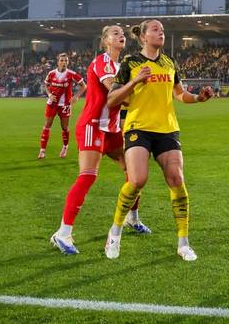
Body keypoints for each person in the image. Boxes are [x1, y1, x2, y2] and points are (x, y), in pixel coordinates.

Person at [105, 19, 214, 262]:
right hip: (138, 127)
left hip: (167, 129)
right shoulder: (130, 62)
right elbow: (112, 99)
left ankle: (183, 243)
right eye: (155, 29)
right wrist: (135, 82)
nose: (161, 32)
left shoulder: (169, 63)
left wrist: (199, 98)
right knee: (137, 180)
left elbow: (179, 94)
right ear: (143, 36)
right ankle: (115, 231)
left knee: (177, 179)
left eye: (162, 30)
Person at [49, 25, 147, 255]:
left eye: (122, 32)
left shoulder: (122, 66)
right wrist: (135, 84)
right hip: (93, 125)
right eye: (115, 33)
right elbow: (113, 91)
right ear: (104, 41)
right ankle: (63, 233)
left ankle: (132, 218)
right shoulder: (102, 62)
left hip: (111, 129)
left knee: (134, 174)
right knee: (87, 176)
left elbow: (123, 101)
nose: (121, 35)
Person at [39, 53, 83, 160]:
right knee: (47, 125)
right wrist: (49, 95)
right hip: (52, 104)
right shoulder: (51, 73)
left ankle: (65, 147)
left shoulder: (71, 74)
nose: (64, 62)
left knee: (64, 127)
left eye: (66, 61)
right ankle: (42, 151)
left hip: (65, 105)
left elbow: (84, 86)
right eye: (62, 60)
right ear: (58, 62)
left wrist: (77, 96)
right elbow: (46, 84)